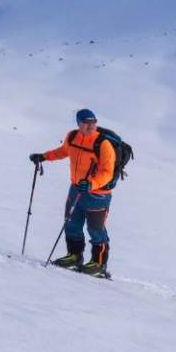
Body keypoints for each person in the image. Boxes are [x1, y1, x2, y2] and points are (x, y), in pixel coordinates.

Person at [30, 108, 117, 276]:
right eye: (86, 123)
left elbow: (108, 171)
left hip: (97, 194)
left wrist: (92, 183)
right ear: (78, 123)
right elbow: (63, 151)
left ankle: (99, 264)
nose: (90, 126)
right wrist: (43, 157)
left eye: (93, 123)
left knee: (95, 228)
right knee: (71, 223)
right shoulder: (72, 136)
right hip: (76, 188)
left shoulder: (103, 144)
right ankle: (74, 256)